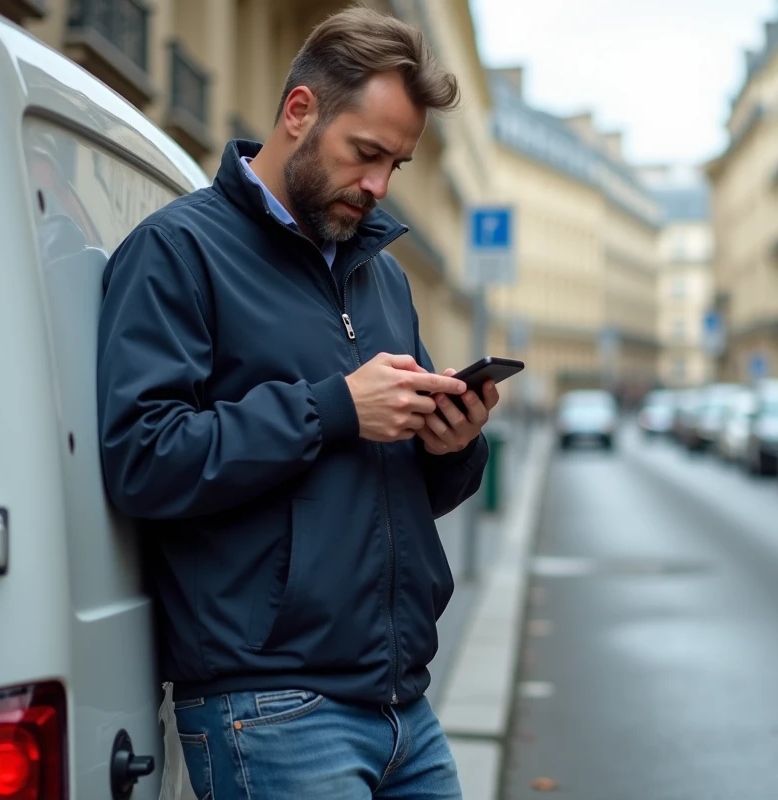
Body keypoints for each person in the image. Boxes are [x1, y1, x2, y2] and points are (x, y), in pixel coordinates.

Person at [96, 7, 493, 799]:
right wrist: (334, 408)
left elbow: (392, 493)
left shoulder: (381, 275)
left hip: (404, 707)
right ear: (300, 111)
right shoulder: (178, 251)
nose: (378, 187)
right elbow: (143, 457)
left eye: (396, 165)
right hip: (270, 710)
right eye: (366, 154)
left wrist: (451, 447)